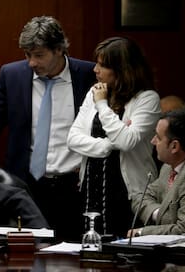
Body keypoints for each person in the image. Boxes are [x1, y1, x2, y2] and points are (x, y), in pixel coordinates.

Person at [0, 15, 96, 241]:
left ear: (59, 50)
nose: (32, 63)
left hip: (74, 186)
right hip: (25, 185)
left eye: (39, 55)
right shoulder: (12, 74)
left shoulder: (88, 75)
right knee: (27, 253)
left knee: (72, 252)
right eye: (28, 55)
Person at [67, 37, 160, 239]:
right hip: (92, 188)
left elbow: (126, 142)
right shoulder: (95, 91)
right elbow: (73, 139)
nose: (95, 69)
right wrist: (108, 145)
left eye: (102, 65)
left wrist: (102, 105)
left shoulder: (147, 99)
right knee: (92, 247)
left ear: (122, 70)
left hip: (128, 193)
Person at [128, 110, 185, 237]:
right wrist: (159, 213)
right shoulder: (168, 167)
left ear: (174, 146)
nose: (153, 141)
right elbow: (139, 198)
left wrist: (142, 232)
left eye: (158, 137)